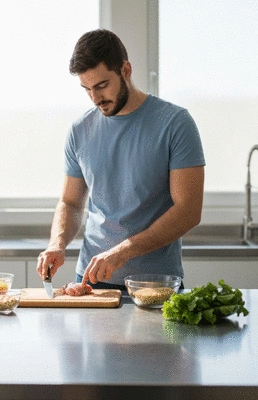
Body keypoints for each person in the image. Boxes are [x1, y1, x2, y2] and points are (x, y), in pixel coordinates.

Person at [37, 29, 205, 290]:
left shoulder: (175, 123)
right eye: (87, 89)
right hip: (91, 281)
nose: (96, 98)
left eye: (102, 86)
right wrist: (56, 244)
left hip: (154, 284)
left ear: (126, 70)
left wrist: (122, 252)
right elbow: (70, 202)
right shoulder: (80, 130)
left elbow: (188, 212)